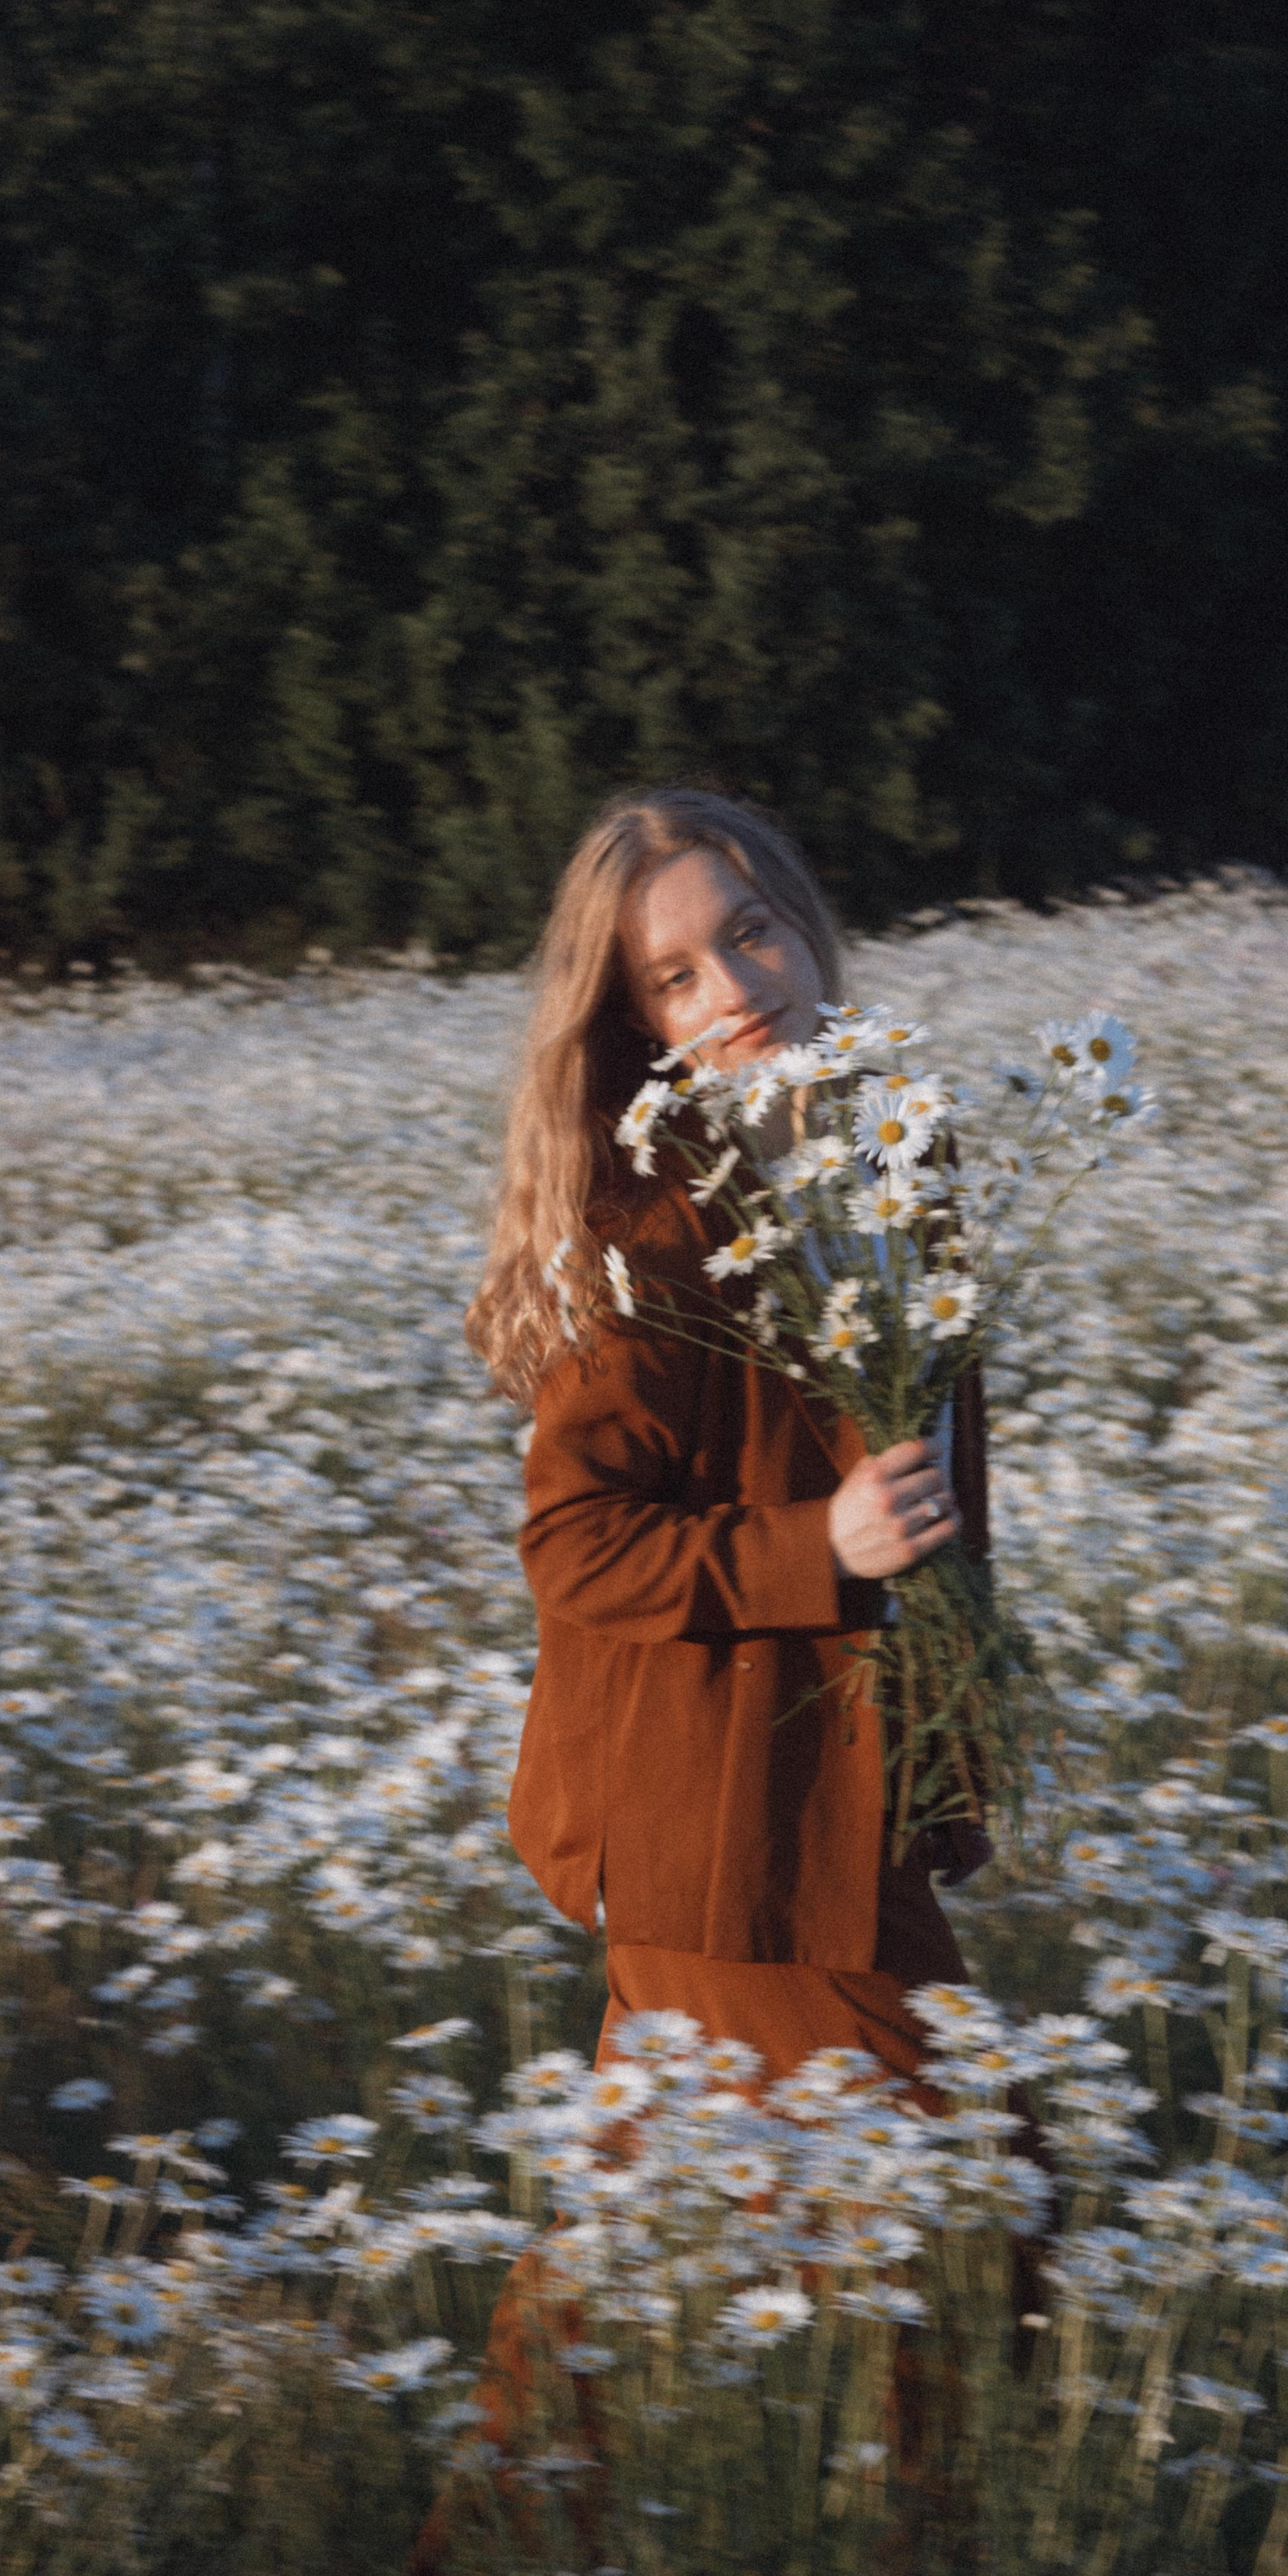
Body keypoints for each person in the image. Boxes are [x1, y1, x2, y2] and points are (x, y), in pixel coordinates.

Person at [464, 784, 994, 2094]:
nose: (735, 987)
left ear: (804, 931)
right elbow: (575, 1547)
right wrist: (827, 1544)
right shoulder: (649, 1234)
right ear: (639, 1020)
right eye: (676, 976)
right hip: (721, 1822)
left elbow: (936, 1473)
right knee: (975, 2204)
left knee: (693, 2238)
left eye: (752, 934)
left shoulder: (904, 1159)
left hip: (847, 1802)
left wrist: (956, 1741)